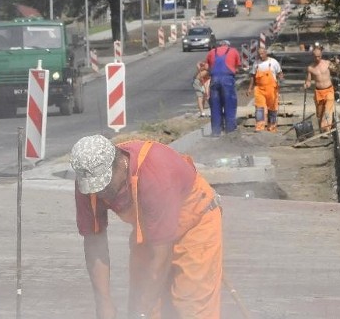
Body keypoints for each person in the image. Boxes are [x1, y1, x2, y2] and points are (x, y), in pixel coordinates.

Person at [70, 135, 223, 319]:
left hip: (195, 223)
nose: (99, 192)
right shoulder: (87, 183)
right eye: (94, 188)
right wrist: (104, 303)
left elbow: (160, 258)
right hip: (151, 228)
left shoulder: (154, 172)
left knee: (189, 306)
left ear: (120, 164)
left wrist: (141, 312)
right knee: (141, 298)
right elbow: (94, 242)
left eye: (104, 185)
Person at [205, 40, 242, 136]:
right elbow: (237, 67)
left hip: (214, 80)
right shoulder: (233, 51)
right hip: (227, 80)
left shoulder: (212, 52)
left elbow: (207, 67)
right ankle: (230, 131)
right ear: (228, 45)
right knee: (229, 104)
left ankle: (216, 131)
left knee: (215, 106)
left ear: (220, 45)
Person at [246, 47, 284, 132]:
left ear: (266, 53)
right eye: (259, 54)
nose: (260, 56)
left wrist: (280, 78)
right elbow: (253, 76)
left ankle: (272, 127)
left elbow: (280, 73)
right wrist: (250, 88)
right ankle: (259, 127)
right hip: (259, 89)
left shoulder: (273, 62)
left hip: (271, 89)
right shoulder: (256, 63)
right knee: (259, 108)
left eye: (262, 54)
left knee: (272, 108)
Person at [304, 47, 340, 133]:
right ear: (313, 56)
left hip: (329, 90)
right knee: (320, 114)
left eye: (319, 56)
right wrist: (306, 85)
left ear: (321, 55)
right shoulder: (310, 68)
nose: (317, 58)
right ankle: (322, 129)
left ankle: (326, 130)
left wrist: (338, 64)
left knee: (328, 110)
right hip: (318, 92)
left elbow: (336, 70)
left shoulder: (327, 63)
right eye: (315, 56)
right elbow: (308, 81)